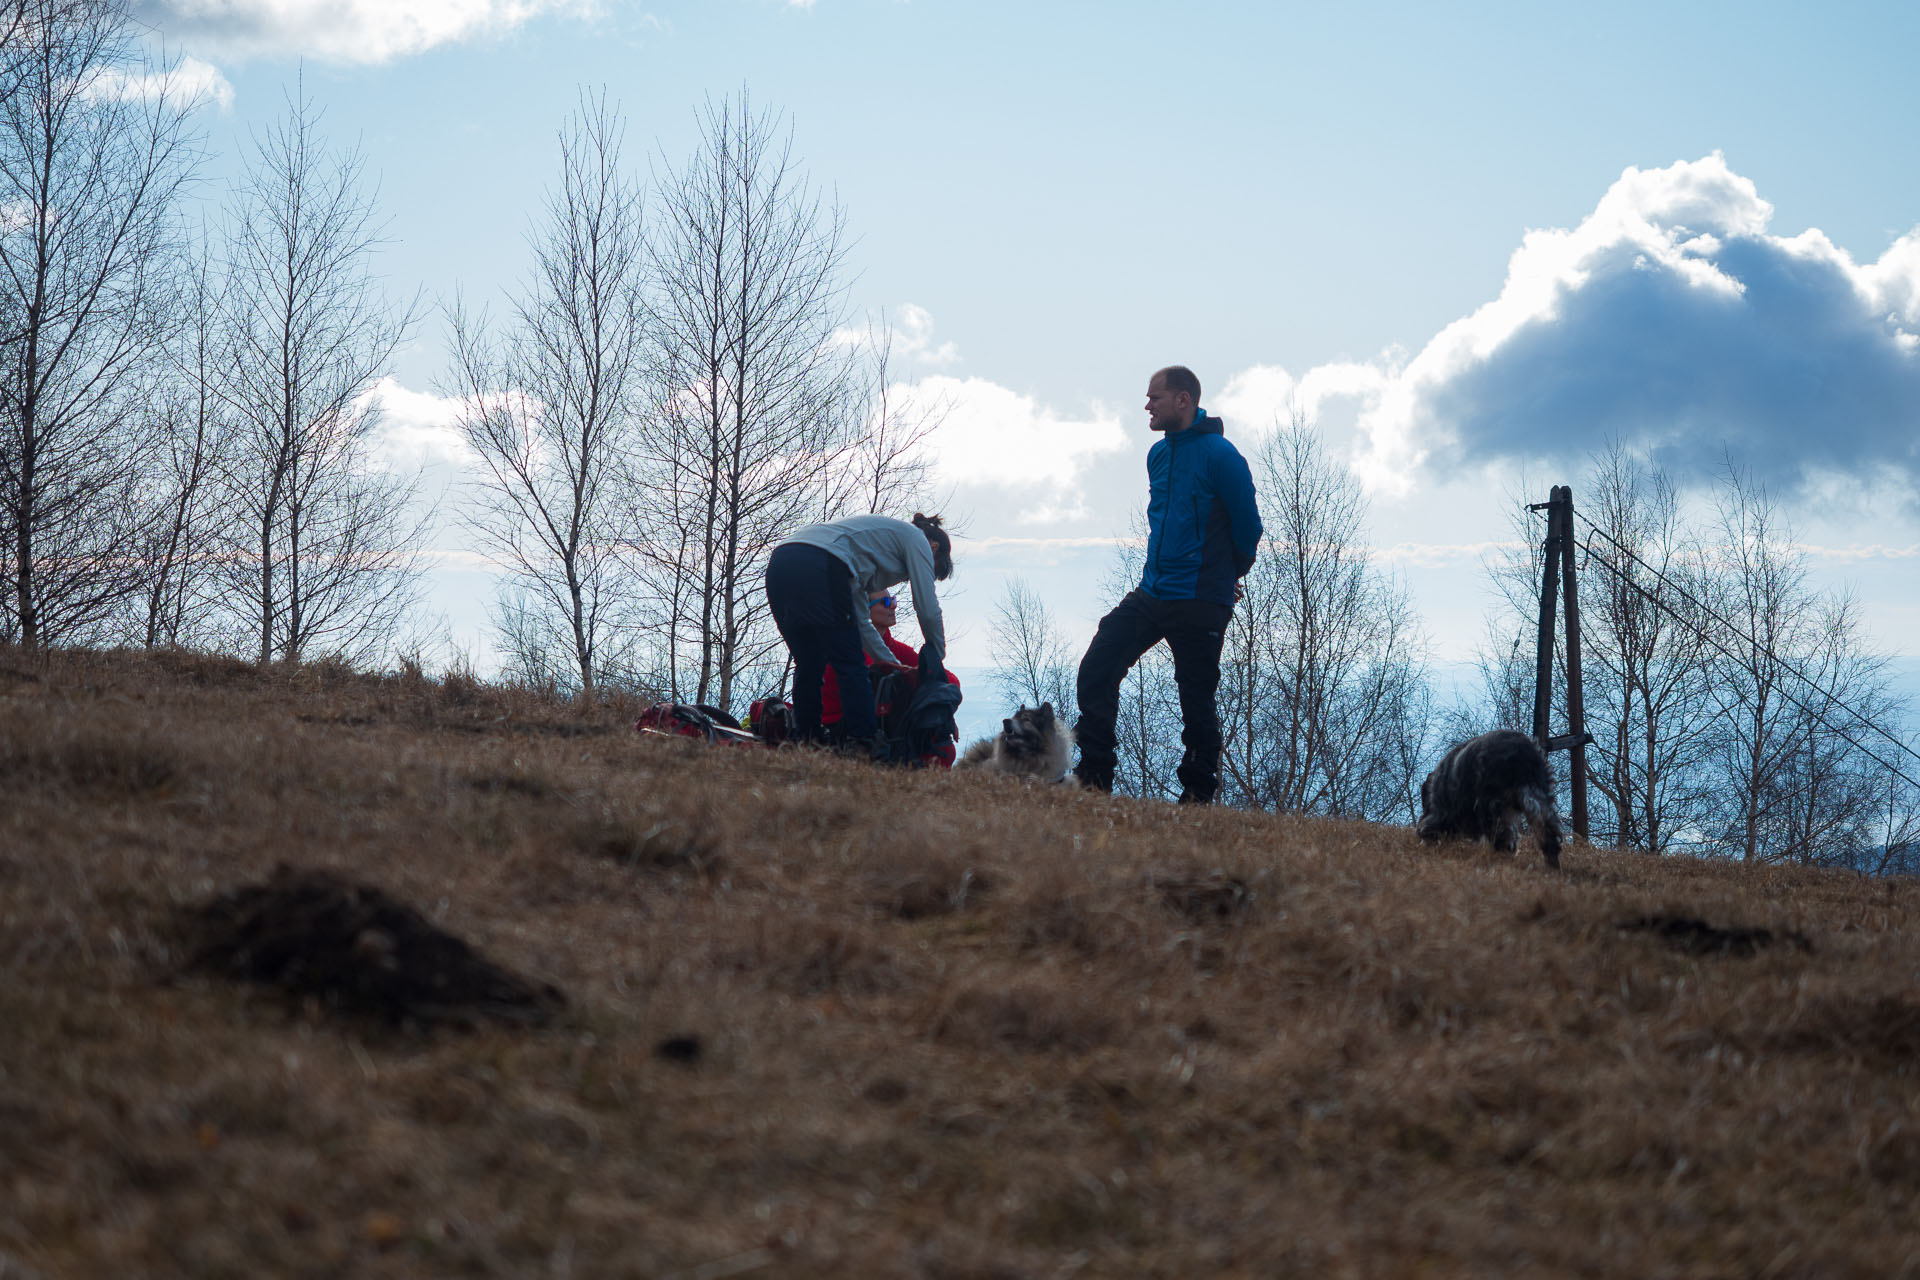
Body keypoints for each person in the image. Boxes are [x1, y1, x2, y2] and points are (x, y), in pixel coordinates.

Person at [1073, 366, 1262, 802]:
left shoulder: (1222, 455)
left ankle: (1196, 796)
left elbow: (1249, 527)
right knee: (1098, 666)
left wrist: (1226, 575)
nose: (1147, 406)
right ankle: (1095, 776)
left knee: (1196, 699)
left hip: (1200, 599)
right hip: (1153, 591)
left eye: (1154, 397)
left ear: (1183, 399)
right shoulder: (1157, 456)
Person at [764, 512, 953, 754]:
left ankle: (806, 738)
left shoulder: (862, 557)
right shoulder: (917, 539)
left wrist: (895, 668)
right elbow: (927, 608)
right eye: (932, 570)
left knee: (809, 661)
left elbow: (862, 626)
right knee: (850, 662)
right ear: (934, 548)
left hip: (781, 562)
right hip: (821, 561)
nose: (912, 576)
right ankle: (864, 740)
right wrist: (936, 660)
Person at [823, 591, 964, 766]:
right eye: (885, 602)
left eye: (893, 599)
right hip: (845, 730)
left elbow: (949, 679)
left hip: (888, 727)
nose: (893, 605)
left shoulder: (896, 648)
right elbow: (868, 688)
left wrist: (941, 710)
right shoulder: (845, 649)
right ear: (863, 610)